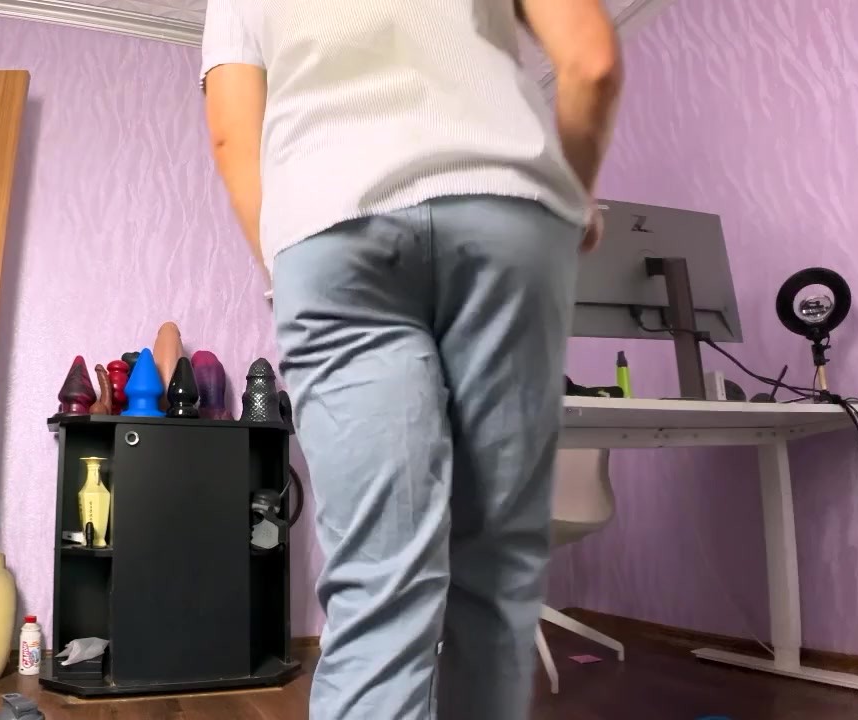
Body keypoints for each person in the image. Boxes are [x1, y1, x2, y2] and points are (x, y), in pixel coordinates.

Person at [201, 1, 623, 718]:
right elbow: (593, 61)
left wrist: (286, 267)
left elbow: (230, 134)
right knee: (497, 572)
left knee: (378, 579)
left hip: (331, 230)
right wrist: (573, 198)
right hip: (503, 211)